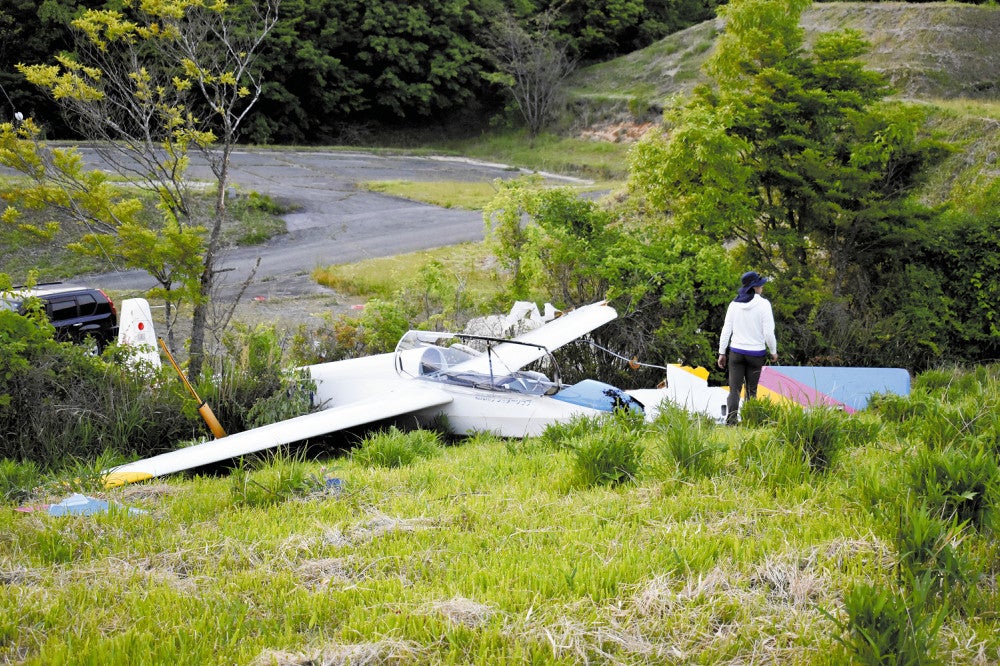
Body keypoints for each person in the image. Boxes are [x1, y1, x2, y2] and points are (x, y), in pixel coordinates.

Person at [717, 270, 778, 425]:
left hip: (736, 352)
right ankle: (751, 421)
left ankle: (731, 422)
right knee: (752, 390)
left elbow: (726, 330)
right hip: (756, 354)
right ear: (754, 288)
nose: (762, 288)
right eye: (760, 285)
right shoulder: (764, 304)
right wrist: (773, 351)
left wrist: (721, 352)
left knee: (734, 390)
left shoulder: (734, 304)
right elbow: (768, 332)